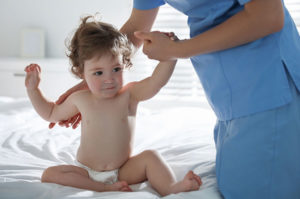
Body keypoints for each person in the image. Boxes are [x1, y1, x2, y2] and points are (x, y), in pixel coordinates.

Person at [51, 1, 300, 199]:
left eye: (114, 71)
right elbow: (137, 25)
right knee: (229, 183)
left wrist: (173, 52)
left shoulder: (131, 93)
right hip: (230, 98)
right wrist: (94, 74)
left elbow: (268, 14)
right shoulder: (87, 94)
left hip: (266, 83)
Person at [24, 15, 202, 196]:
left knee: (151, 157)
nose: (109, 79)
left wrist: (170, 55)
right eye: (98, 72)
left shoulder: (129, 95)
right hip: (86, 171)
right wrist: (33, 90)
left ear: (124, 63)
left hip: (123, 170)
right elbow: (51, 113)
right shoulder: (80, 99)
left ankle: (171, 187)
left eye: (116, 69)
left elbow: (156, 82)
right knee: (49, 174)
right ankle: (101, 188)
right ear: (81, 72)